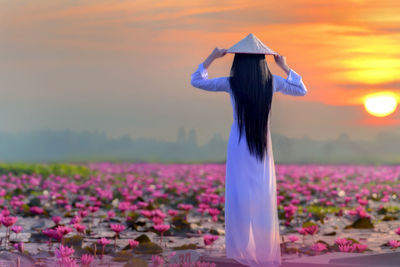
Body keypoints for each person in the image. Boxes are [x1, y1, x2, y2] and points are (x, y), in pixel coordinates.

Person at [190, 35, 307, 267]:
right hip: (262, 146)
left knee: (239, 197)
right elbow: (301, 90)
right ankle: (264, 256)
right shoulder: (272, 82)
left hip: (239, 143)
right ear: (262, 61)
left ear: (238, 62)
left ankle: (241, 254)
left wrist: (212, 57)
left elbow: (197, 80)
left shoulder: (232, 82)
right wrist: (284, 66)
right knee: (261, 196)